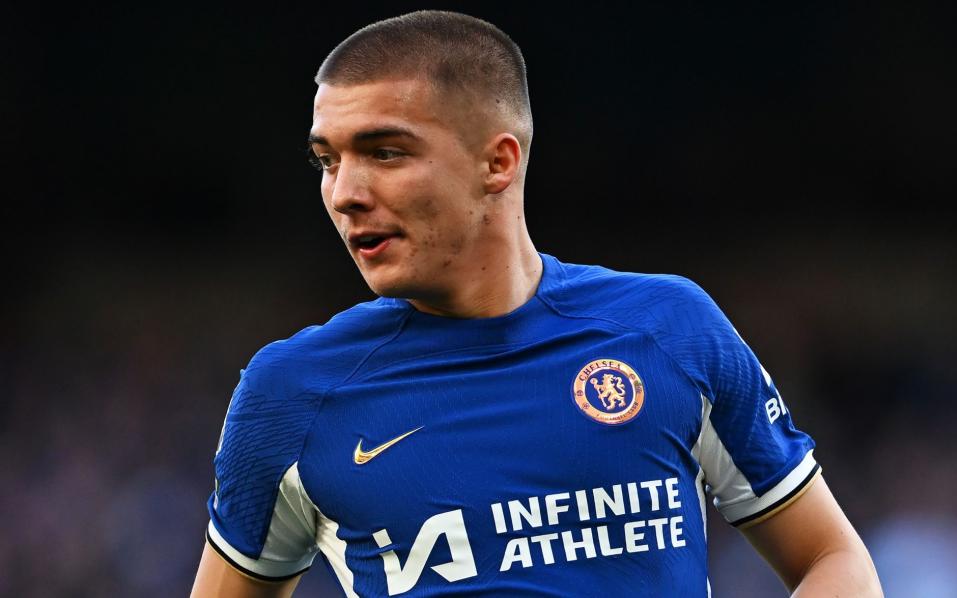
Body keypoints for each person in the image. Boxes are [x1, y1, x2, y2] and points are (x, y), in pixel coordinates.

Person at [191, 10, 882, 597]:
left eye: (385, 152)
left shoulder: (670, 329)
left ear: (499, 161)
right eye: (327, 160)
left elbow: (833, 559)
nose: (344, 192)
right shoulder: (289, 394)